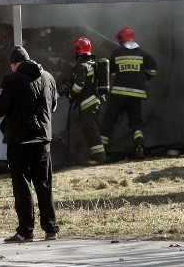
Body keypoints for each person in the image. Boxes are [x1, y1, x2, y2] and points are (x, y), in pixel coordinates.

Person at [0, 45, 60, 243]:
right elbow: (53, 105)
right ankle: (51, 228)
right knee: (44, 184)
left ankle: (25, 231)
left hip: (19, 140)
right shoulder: (48, 78)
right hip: (43, 139)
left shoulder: (12, 79)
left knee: (22, 185)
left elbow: (0, 108)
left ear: (14, 64)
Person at [100, 26, 157, 159]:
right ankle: (139, 144)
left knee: (110, 120)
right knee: (136, 123)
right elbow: (153, 71)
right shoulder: (144, 54)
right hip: (135, 95)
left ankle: (101, 150)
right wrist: (143, 77)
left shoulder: (116, 53)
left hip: (118, 94)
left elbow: (112, 73)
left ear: (121, 39)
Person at [63, 37, 106, 165]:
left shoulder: (82, 66)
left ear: (77, 50)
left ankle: (100, 157)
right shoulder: (92, 64)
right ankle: (95, 155)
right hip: (93, 101)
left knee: (91, 130)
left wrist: (70, 94)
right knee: (90, 130)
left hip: (87, 103)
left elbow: (78, 86)